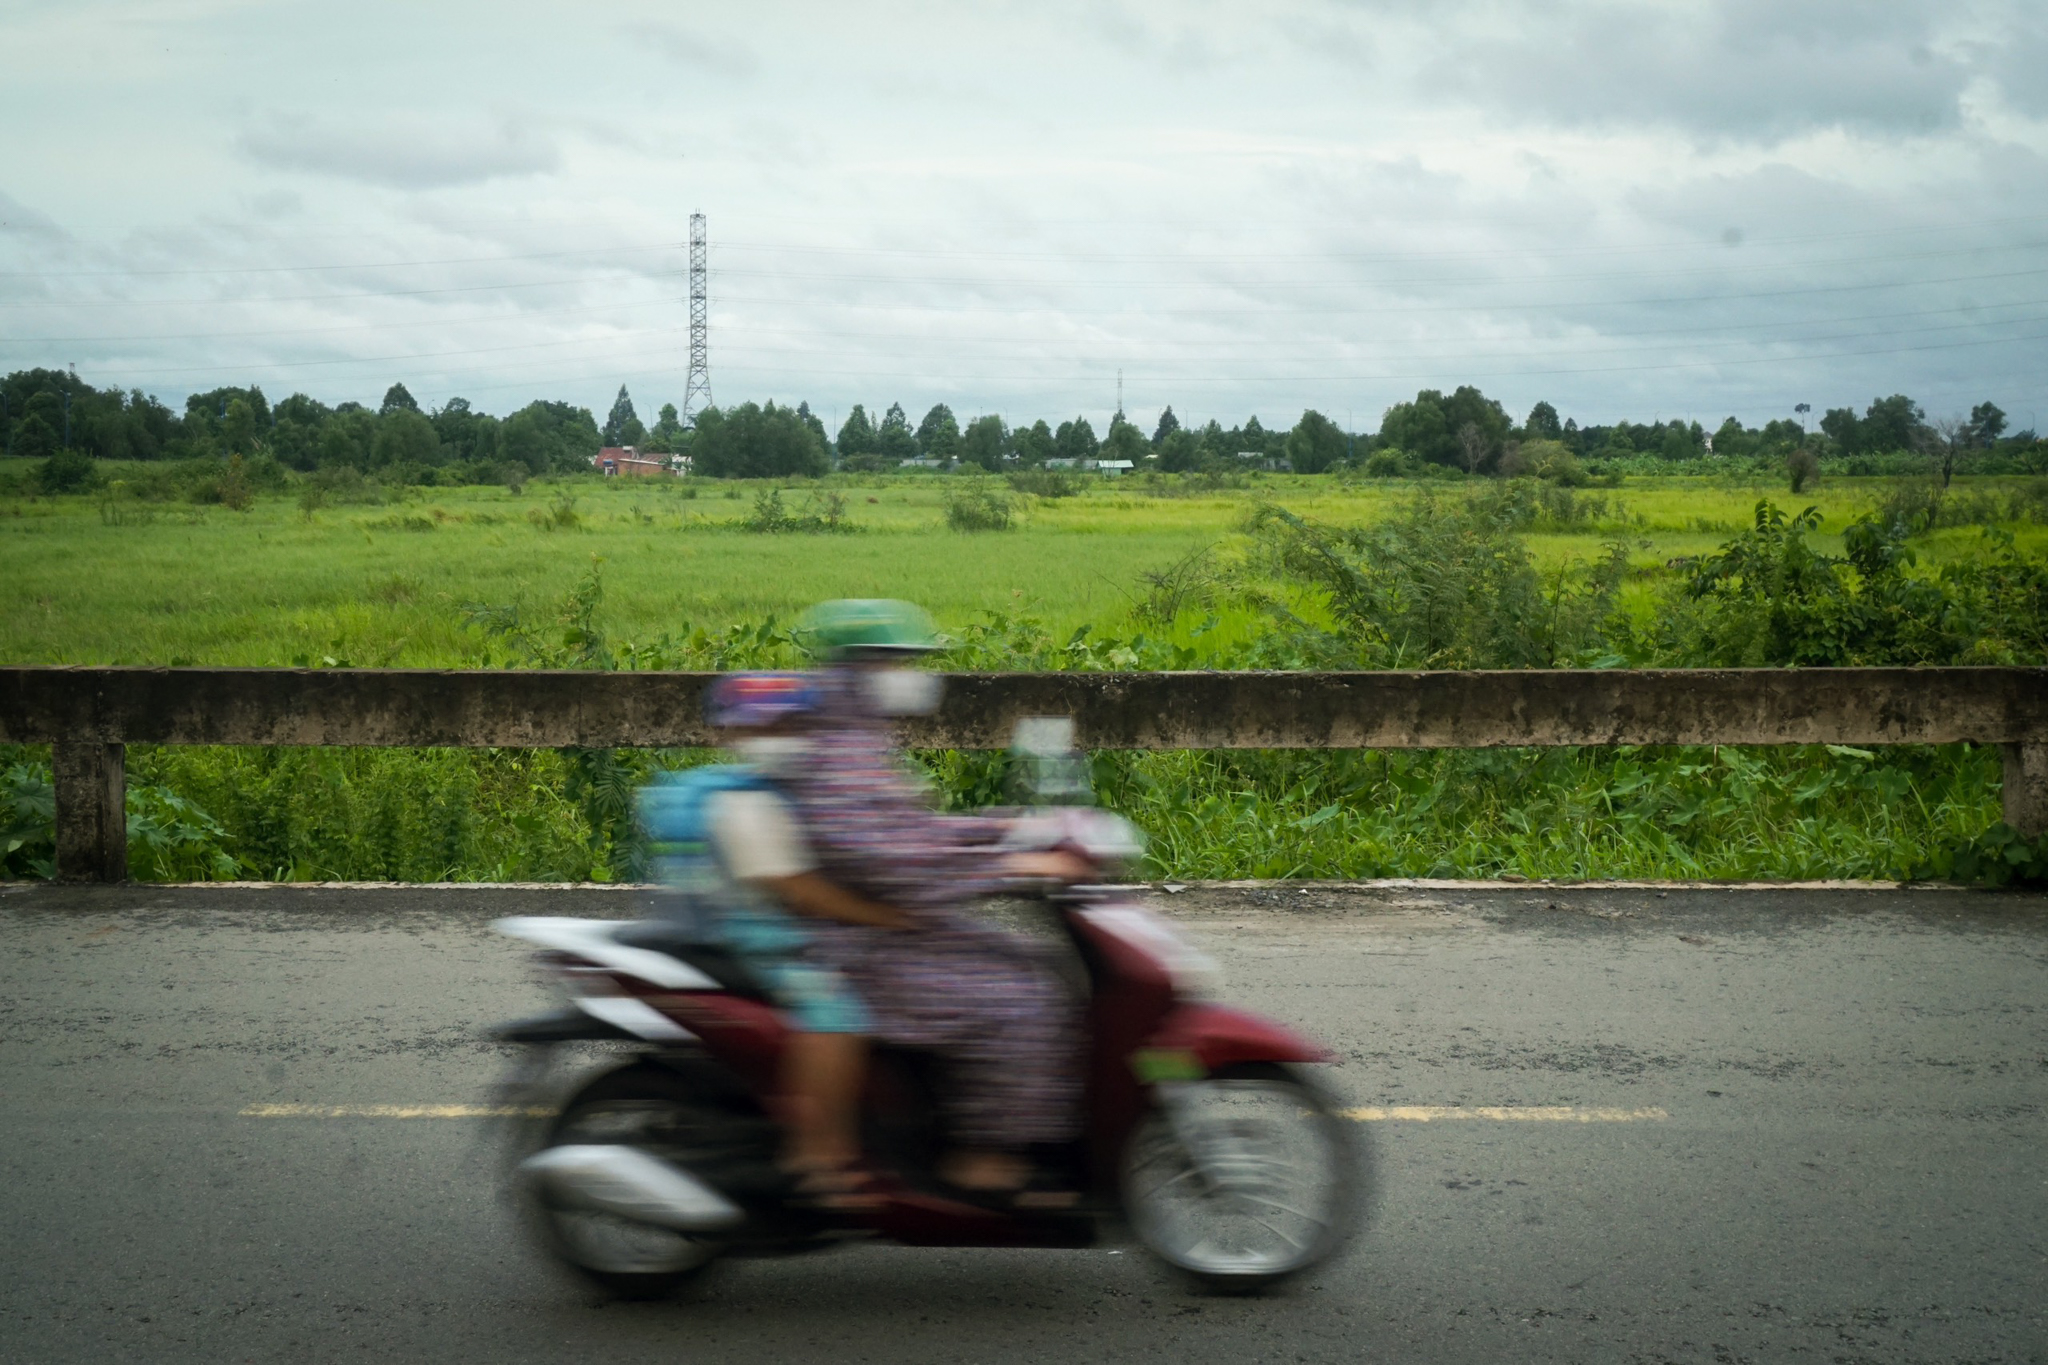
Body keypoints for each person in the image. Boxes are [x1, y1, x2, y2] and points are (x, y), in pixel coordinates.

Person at [781, 600, 1088, 1206]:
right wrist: (1011, 864)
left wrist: (1004, 827)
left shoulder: (859, 742)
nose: (915, 676)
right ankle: (980, 1159)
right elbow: (900, 865)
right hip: (866, 948)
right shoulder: (843, 760)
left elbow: (912, 835)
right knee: (1021, 996)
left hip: (895, 930)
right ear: (860, 671)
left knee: (1029, 963)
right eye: (901, 663)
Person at [697, 672, 910, 1208]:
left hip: (798, 930)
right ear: (730, 736)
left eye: (790, 723)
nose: (779, 736)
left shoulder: (792, 792)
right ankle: (816, 1156)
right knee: (839, 1013)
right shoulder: (743, 805)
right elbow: (801, 892)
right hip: (761, 940)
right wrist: (884, 918)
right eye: (762, 728)